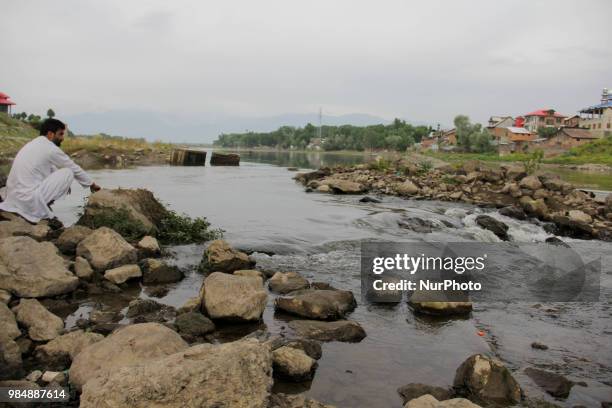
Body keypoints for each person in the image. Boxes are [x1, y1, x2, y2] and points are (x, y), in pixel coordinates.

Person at [0, 118, 101, 223]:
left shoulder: (33, 144)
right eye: (60, 134)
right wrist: (92, 184)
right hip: (28, 200)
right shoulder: (50, 148)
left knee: (57, 172)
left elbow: (51, 168)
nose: (62, 138)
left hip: (13, 198)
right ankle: (39, 208)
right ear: (50, 134)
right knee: (68, 172)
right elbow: (73, 167)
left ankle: (41, 205)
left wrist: (64, 185)